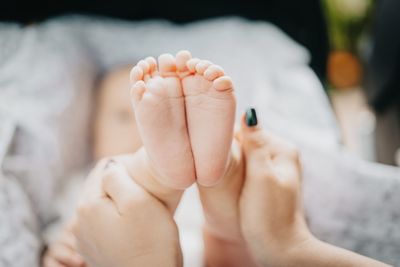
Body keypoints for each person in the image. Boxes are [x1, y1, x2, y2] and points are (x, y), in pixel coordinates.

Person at [44, 51, 391, 267]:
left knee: (229, 227)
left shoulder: (88, 187)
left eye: (141, 115)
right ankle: (210, 167)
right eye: (123, 115)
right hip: (135, 249)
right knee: (126, 183)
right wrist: (58, 254)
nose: (137, 125)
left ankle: (211, 169)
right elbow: (62, 240)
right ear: (89, 135)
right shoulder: (78, 183)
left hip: (194, 249)